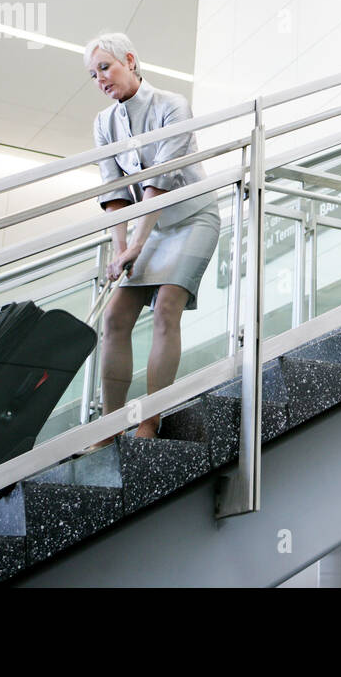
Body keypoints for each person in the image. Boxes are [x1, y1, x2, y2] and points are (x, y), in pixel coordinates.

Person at [85, 32, 220, 442]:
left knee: (165, 308)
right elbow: (114, 192)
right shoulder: (103, 123)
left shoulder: (173, 106)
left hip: (193, 218)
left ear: (130, 60)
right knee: (114, 317)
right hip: (151, 228)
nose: (100, 80)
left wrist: (138, 244)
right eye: (92, 75)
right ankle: (110, 427)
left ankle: (150, 419)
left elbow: (158, 181)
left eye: (105, 68)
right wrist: (120, 249)